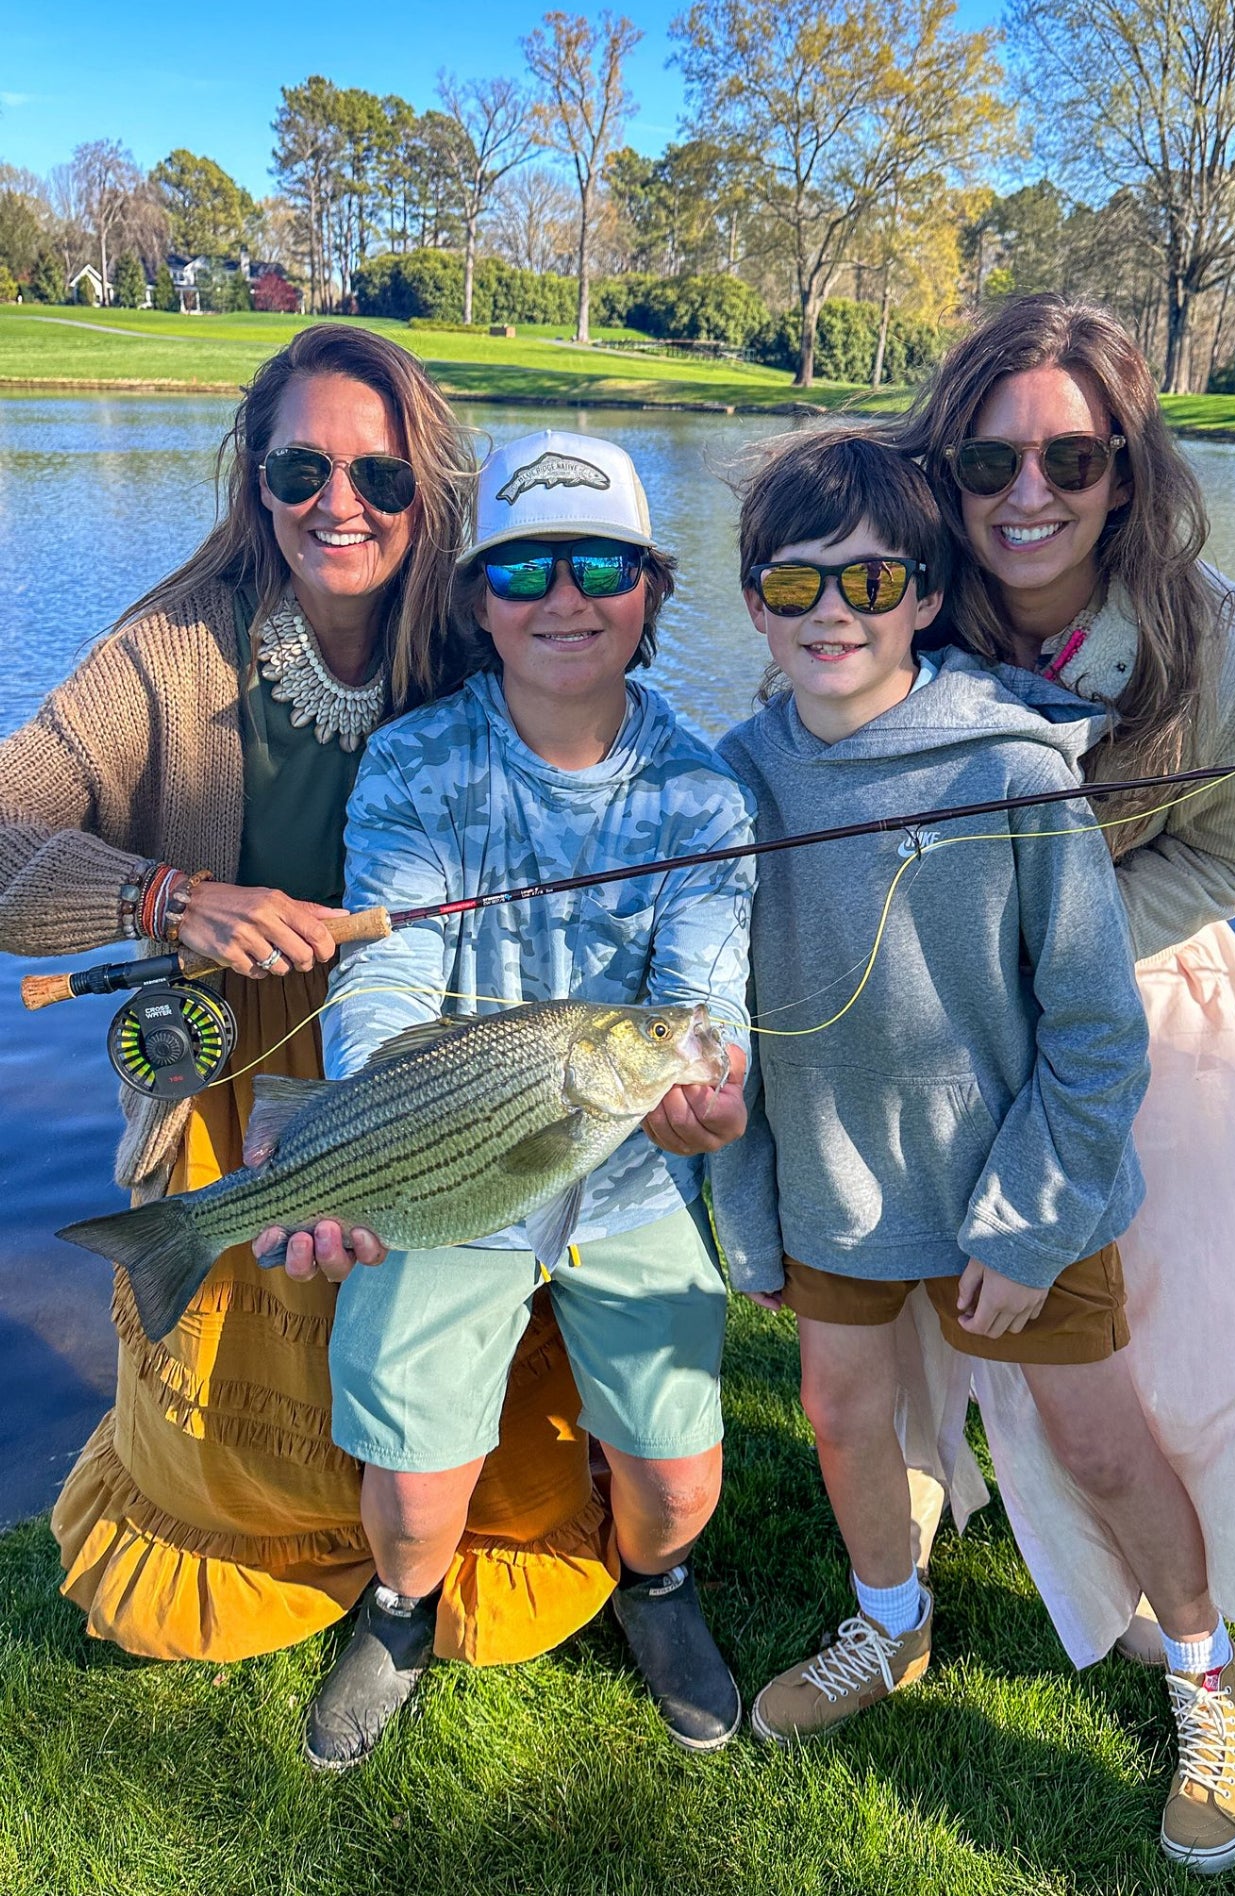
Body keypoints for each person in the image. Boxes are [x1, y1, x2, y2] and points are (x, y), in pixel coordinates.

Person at [0, 329, 619, 1669]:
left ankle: (442, 1570)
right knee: (246, 1411)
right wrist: (163, 898)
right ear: (256, 477)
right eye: (301, 467)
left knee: (469, 1373)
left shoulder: (488, 638)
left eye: (381, 477)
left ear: (430, 491)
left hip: (450, 1074)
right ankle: (294, 1561)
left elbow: (611, 792)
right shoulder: (167, 652)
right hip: (250, 1088)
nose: (338, 504)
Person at [708, 428, 1235, 1876]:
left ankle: (1207, 1676)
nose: (833, 611)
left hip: (1020, 1197)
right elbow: (719, 1034)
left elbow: (1091, 1032)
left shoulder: (1016, 766)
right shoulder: (731, 781)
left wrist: (1024, 1227)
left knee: (1093, 1437)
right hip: (830, 1190)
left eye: (873, 578)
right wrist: (746, 1216)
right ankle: (888, 1626)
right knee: (843, 1420)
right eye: (793, 582)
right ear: (752, 600)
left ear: (922, 593)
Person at [289, 427, 754, 1770]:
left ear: (652, 590)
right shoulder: (416, 766)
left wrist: (710, 1098)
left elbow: (700, 1009)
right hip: (446, 1162)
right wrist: (364, 1148)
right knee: (416, 1500)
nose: (565, 596)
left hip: (619, 1174)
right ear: (476, 598)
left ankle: (653, 1585)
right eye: (523, 568)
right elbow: (390, 976)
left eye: (601, 561)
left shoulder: (702, 793)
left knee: (678, 1485)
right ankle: (397, 1614)